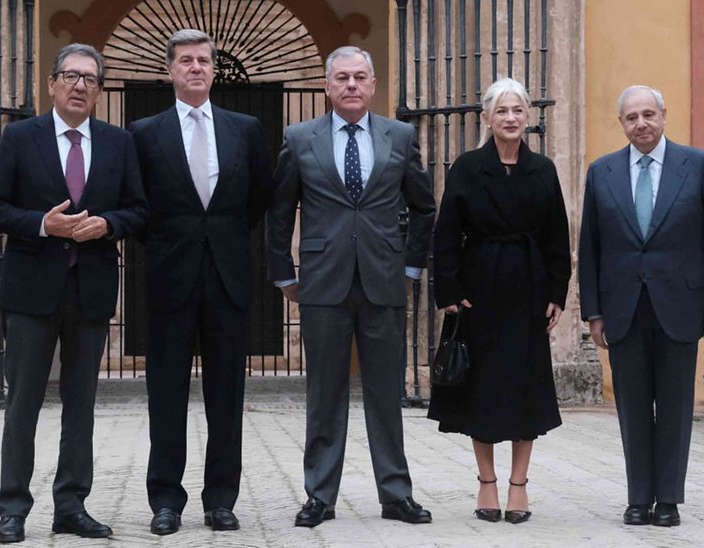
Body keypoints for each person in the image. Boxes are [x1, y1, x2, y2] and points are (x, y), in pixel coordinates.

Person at [0, 43, 147, 543]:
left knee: (81, 404)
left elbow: (139, 210)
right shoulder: (20, 137)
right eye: (71, 76)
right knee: (22, 403)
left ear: (99, 90)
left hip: (90, 290)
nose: (79, 86)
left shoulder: (118, 143)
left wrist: (108, 224)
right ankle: (13, 509)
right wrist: (42, 224)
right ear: (51, 84)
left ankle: (71, 506)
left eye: (90, 79)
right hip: (31, 292)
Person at [266, 45, 436, 528]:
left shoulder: (400, 136)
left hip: (384, 281)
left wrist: (411, 268)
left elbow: (424, 207)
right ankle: (319, 495)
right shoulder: (300, 138)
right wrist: (284, 273)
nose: (352, 85)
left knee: (386, 395)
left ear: (373, 84)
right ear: (327, 86)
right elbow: (280, 210)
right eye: (342, 77)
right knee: (325, 394)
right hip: (323, 283)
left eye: (360, 77)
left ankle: (396, 494)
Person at [129, 29, 274, 534]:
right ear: (169, 70)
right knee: (166, 393)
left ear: (214, 70)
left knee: (226, 395)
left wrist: (220, 239)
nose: (196, 68)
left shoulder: (245, 129)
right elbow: (137, 204)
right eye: (186, 61)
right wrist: (173, 244)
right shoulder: (143, 132)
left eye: (204, 61)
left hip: (227, 276)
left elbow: (258, 197)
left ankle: (221, 499)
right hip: (169, 276)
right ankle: (166, 500)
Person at [578, 85, 704, 527]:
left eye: (648, 114)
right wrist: (594, 313)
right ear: (622, 123)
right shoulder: (602, 172)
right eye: (632, 117)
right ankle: (637, 498)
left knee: (674, 406)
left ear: (663, 115)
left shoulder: (697, 165)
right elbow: (590, 248)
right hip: (623, 308)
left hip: (680, 306)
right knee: (631, 407)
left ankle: (668, 500)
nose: (641, 124)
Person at [428, 77, 570, 524]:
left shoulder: (543, 169)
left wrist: (557, 293)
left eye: (518, 110)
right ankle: (487, 482)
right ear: (487, 118)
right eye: (502, 111)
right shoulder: (468, 167)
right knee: (483, 389)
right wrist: (450, 292)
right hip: (479, 291)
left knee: (526, 389)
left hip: (529, 290)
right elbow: (446, 234)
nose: (511, 118)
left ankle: (519, 485)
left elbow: (557, 237)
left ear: (528, 116)